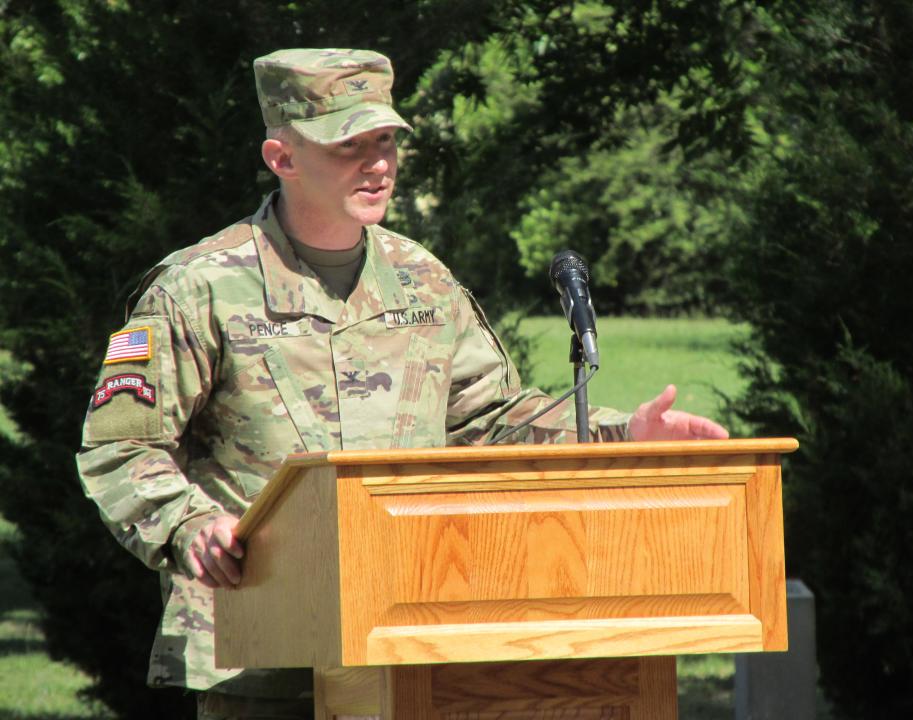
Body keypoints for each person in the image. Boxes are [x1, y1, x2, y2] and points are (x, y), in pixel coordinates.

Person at [76, 48, 728, 719]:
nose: (378, 163)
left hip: (411, 636)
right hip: (261, 654)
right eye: (349, 145)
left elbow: (489, 420)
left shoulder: (424, 280)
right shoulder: (198, 288)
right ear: (283, 157)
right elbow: (121, 450)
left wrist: (624, 432)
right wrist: (192, 525)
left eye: (386, 140)